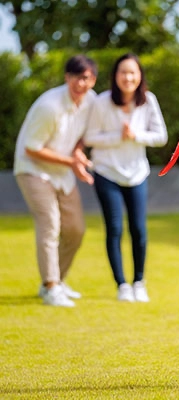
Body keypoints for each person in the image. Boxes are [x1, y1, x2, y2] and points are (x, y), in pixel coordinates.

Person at [14, 55, 97, 307]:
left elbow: (81, 136)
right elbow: (31, 148)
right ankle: (50, 287)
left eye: (85, 78)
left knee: (75, 230)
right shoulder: (49, 106)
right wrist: (72, 163)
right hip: (32, 170)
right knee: (50, 223)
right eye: (74, 77)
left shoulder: (91, 101)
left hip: (62, 171)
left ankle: (56, 281)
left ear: (92, 80)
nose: (79, 83)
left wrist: (78, 153)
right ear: (66, 77)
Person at [84, 53, 168, 303]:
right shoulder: (101, 102)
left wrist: (135, 136)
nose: (128, 77)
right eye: (123, 72)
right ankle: (122, 284)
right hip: (106, 172)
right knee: (114, 228)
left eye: (133, 72)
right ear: (115, 76)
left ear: (139, 76)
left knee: (139, 229)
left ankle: (138, 282)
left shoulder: (148, 101)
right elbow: (89, 138)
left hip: (136, 173)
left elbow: (160, 136)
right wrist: (117, 137)